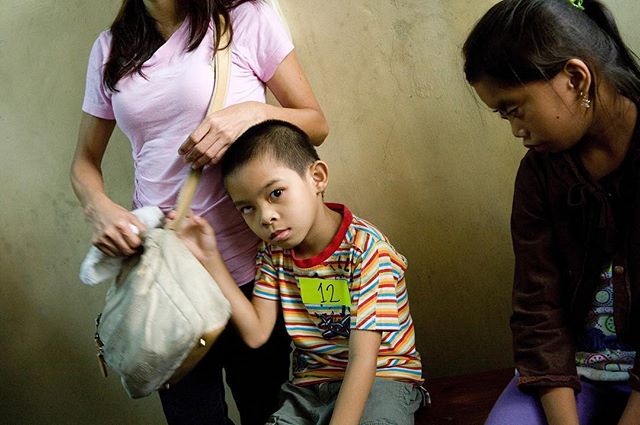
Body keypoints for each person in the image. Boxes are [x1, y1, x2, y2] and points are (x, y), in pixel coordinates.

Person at [70, 0, 328, 423]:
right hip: (167, 281)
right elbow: (83, 162)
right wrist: (99, 208)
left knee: (269, 414)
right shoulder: (110, 50)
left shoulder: (245, 18)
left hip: (254, 274)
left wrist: (252, 115)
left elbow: (315, 123)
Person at [168, 120, 425, 425]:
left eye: (275, 193)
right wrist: (211, 257)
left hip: (383, 379)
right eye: (247, 208)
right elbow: (256, 333)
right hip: (310, 388)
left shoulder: (367, 250)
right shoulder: (273, 255)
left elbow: (363, 359)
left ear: (317, 177)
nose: (266, 217)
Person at [462, 0, 640, 424]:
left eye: (513, 108)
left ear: (576, 78)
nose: (515, 130)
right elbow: (536, 308)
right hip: (569, 375)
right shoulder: (539, 175)